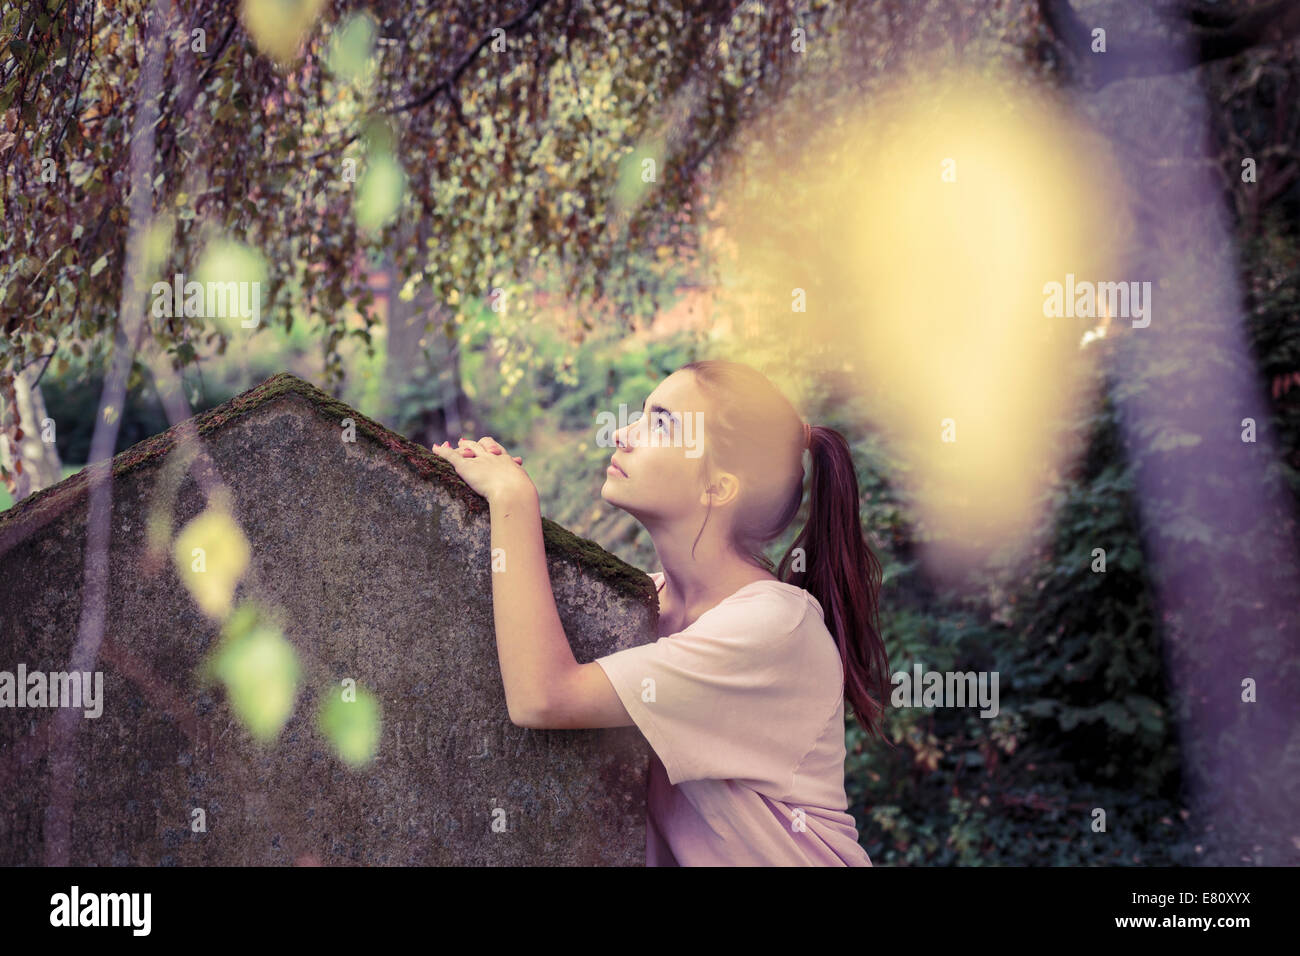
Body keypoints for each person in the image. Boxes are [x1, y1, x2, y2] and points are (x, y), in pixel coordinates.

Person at [429, 359, 891, 865]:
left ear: (719, 487)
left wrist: (511, 498)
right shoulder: (644, 601)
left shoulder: (774, 629)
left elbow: (542, 697)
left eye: (662, 424)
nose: (625, 434)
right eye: (641, 415)